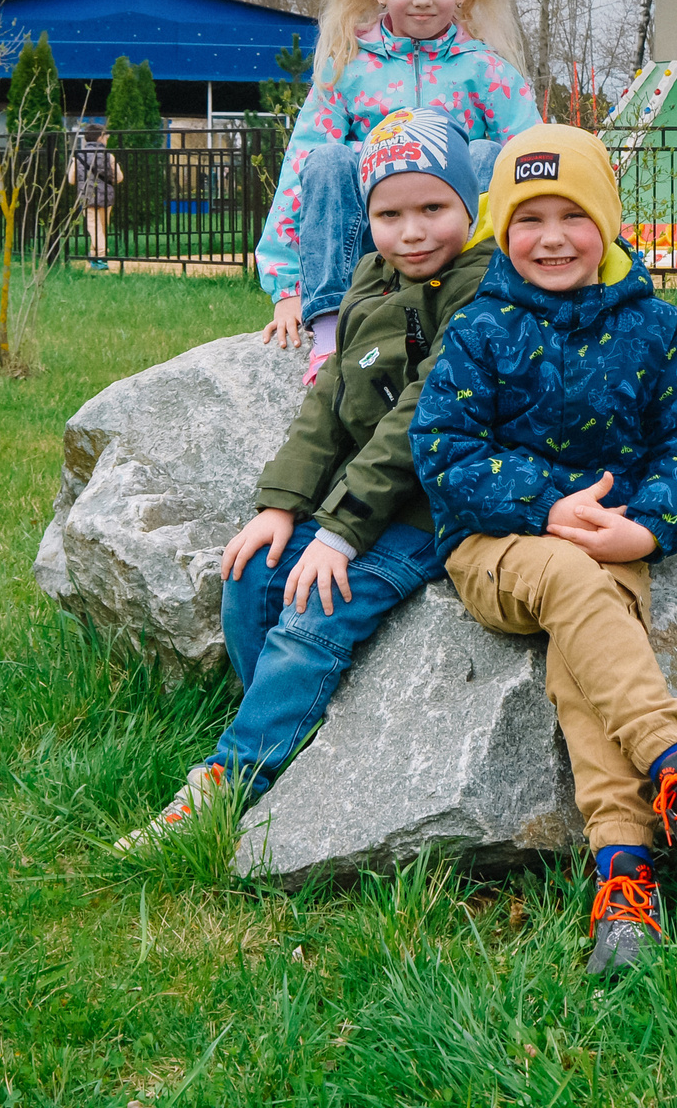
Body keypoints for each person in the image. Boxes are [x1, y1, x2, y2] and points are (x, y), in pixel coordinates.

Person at [413, 125, 677, 978]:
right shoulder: (480, 327)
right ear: (502, 228)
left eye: (573, 216)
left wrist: (648, 527)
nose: (553, 238)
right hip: (496, 546)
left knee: (585, 669)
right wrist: (542, 502)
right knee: (569, 576)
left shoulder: (653, 328)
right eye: (529, 219)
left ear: (606, 223)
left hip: (612, 546)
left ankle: (624, 887)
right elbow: (444, 449)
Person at [118, 110, 496, 850]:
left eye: (433, 207)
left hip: (430, 506)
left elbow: (422, 417)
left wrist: (341, 533)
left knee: (317, 607)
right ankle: (277, 724)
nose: (412, 232)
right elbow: (329, 399)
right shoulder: (373, 277)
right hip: (365, 496)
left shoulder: (477, 290)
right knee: (254, 570)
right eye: (388, 215)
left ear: (469, 202)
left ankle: (232, 778)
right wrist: (283, 505)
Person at [255, 0, 538, 384]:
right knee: (327, 159)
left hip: (456, 251)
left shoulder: (485, 70)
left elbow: (536, 157)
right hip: (373, 250)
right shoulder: (348, 68)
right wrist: (287, 289)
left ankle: (482, 304)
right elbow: (300, 170)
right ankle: (330, 323)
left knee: (491, 156)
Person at [69, 120, 121, 269]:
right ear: (100, 137)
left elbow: (71, 180)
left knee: (94, 227)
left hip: (87, 197)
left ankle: (97, 256)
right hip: (106, 198)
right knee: (102, 228)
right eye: (105, 136)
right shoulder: (108, 156)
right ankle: (99, 256)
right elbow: (119, 177)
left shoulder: (79, 156)